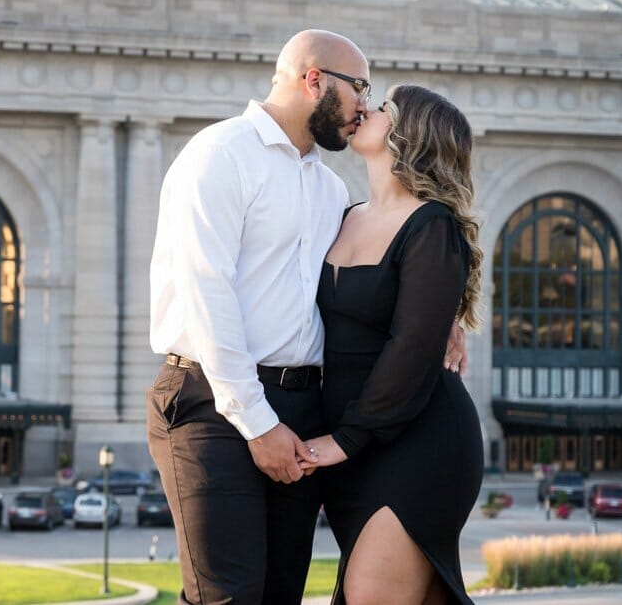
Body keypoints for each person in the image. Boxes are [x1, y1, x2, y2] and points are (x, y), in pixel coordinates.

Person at [146, 30, 466, 604]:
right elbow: (206, 293)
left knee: (280, 594)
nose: (364, 106)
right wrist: (258, 423)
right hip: (212, 402)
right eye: (359, 89)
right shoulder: (220, 154)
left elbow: (381, 280)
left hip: (302, 410)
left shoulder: (328, 190)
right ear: (313, 80)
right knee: (228, 596)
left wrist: (441, 314)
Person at [302, 84, 484, 605]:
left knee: (370, 596)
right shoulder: (342, 211)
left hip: (418, 442)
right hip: (354, 447)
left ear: (410, 135)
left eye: (383, 107)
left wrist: (346, 439)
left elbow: (411, 347)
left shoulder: (433, 225)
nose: (365, 108)